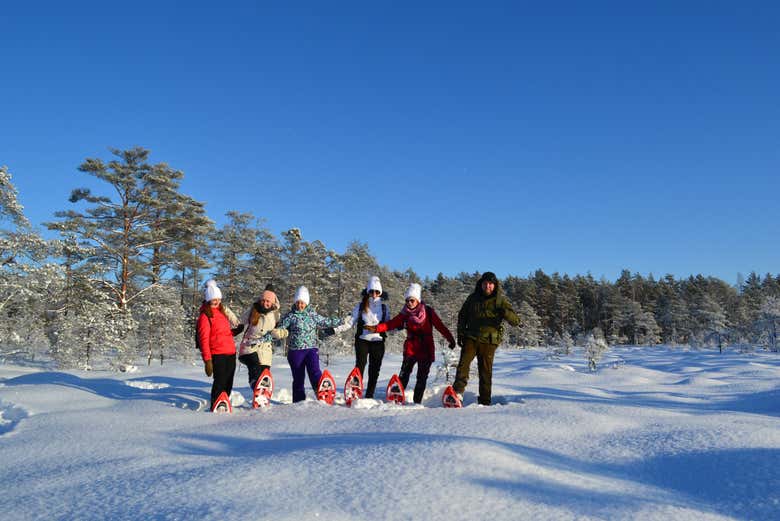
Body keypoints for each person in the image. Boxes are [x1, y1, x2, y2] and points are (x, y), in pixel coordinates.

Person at [366, 283, 455, 404]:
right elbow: (391, 324)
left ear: (418, 300)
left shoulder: (428, 312)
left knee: (421, 378)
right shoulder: (405, 313)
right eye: (407, 300)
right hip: (411, 347)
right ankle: (397, 398)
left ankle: (417, 402)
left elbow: (440, 326)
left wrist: (450, 339)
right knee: (404, 373)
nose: (409, 303)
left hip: (426, 348)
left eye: (412, 300)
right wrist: (376, 328)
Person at [453, 271, 519, 405]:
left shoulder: (500, 301)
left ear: (495, 285)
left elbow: (516, 321)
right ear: (481, 284)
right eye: (485, 283)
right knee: (463, 366)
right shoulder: (472, 298)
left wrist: (505, 312)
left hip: (489, 341)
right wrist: (460, 333)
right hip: (471, 337)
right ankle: (457, 394)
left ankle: (485, 401)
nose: (487, 286)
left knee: (485, 372)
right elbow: (462, 316)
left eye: (490, 284)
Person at [276, 286, 351, 403]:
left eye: (302, 303)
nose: (300, 305)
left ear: (306, 303)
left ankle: (322, 396)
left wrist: (341, 320)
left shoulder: (312, 315)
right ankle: (298, 402)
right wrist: (274, 333)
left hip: (311, 350)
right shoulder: (290, 316)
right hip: (296, 352)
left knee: (315, 372)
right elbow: (279, 329)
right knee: (298, 378)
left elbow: (326, 321)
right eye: (298, 302)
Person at [197, 279, 241, 410]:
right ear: (208, 299)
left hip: (230, 353)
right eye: (214, 299)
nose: (217, 302)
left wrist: (234, 332)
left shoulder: (222, 313)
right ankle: (215, 404)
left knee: (228, 382)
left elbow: (222, 333)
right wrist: (208, 360)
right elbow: (203, 340)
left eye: (218, 299)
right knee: (220, 382)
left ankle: (224, 402)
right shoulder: (205, 317)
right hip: (218, 355)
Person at [237, 284, 288, 391]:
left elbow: (280, 329)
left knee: (264, 373)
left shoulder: (275, 315)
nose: (265, 303)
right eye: (263, 300)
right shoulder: (254, 309)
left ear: (272, 302)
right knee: (255, 366)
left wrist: (280, 333)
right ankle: (255, 385)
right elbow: (239, 322)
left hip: (265, 349)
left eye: (268, 301)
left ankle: (263, 393)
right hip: (249, 346)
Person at [350, 276, 391, 398]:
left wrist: (402, 325)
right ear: (367, 291)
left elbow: (389, 324)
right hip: (362, 340)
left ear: (380, 293)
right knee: (359, 366)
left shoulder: (384, 308)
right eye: (371, 291)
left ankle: (369, 394)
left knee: (374, 369)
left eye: (377, 291)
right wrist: (334, 329)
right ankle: (355, 393)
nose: (374, 294)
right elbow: (349, 322)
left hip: (378, 341)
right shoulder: (361, 306)